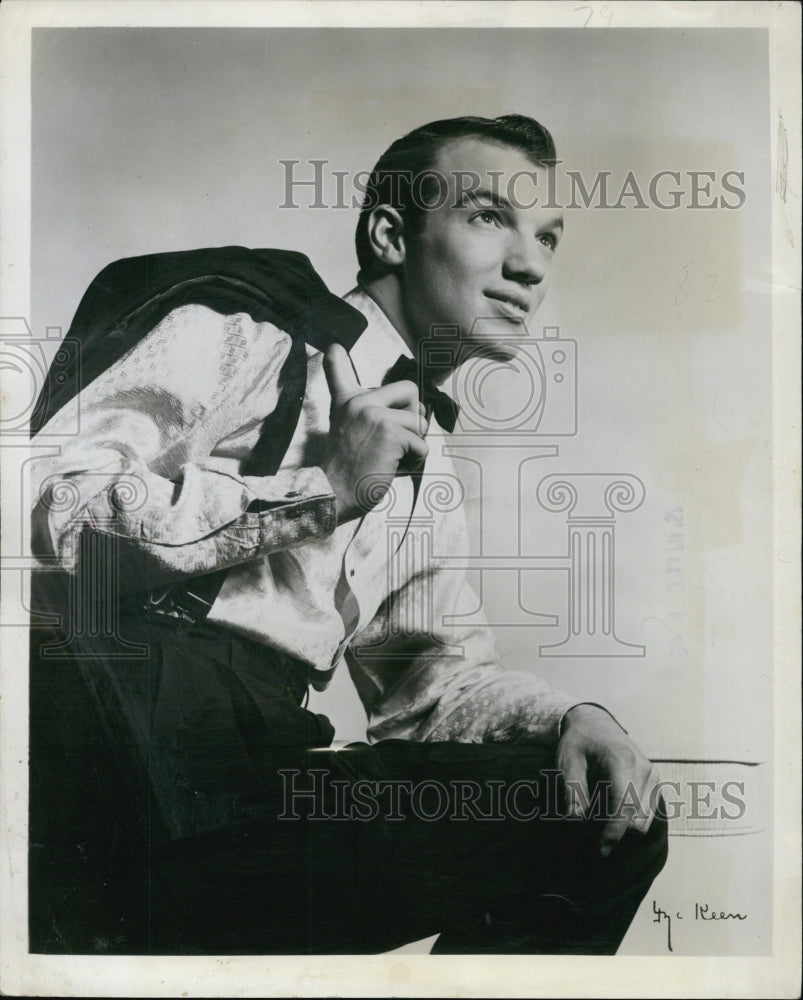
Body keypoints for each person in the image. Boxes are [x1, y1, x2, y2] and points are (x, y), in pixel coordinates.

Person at [28, 114, 667, 955]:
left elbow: (430, 685)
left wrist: (571, 719)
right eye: (488, 217)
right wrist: (320, 493)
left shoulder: (422, 460)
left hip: (250, 784)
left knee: (597, 805)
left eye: (547, 236)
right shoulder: (247, 331)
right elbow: (45, 510)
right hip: (106, 762)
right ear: (390, 233)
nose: (530, 263)